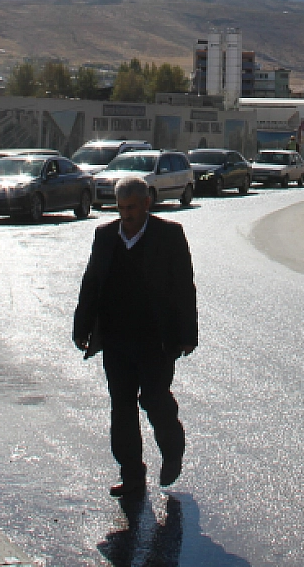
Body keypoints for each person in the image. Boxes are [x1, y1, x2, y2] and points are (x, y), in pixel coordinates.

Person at [73, 175, 198, 501]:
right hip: (116, 339)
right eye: (121, 208)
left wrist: (187, 335)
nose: (126, 215)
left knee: (155, 399)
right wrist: (82, 327)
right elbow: (91, 284)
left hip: (155, 341)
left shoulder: (169, 236)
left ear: (146, 203)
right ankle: (131, 475)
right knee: (122, 407)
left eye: (132, 208)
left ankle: (172, 449)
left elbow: (184, 288)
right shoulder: (105, 237)